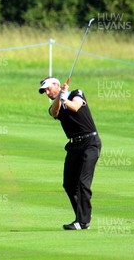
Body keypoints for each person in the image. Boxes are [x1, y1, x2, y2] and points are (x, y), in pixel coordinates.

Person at [39, 77, 102, 230]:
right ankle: (84, 214)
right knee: (68, 184)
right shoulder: (55, 105)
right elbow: (54, 112)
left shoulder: (76, 93)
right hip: (74, 146)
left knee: (83, 182)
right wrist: (60, 97)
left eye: (48, 88)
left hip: (90, 143)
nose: (47, 93)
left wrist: (64, 97)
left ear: (57, 85)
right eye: (45, 91)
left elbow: (75, 107)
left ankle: (83, 221)